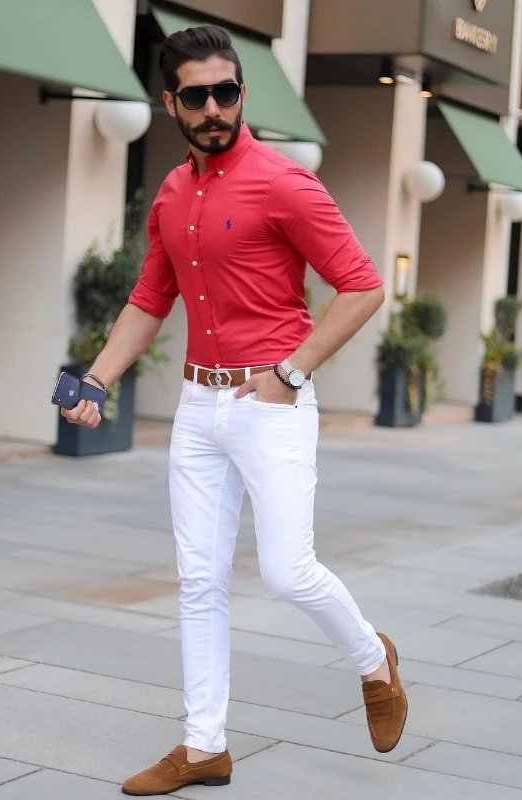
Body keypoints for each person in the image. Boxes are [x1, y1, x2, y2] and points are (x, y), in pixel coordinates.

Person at [62, 24, 407, 797]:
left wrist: (292, 369)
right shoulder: (173, 194)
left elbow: (363, 285)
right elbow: (151, 299)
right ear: (171, 103)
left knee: (288, 572)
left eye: (226, 91)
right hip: (197, 408)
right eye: (197, 95)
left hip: (272, 403)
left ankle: (373, 660)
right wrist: (98, 380)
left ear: (242, 94)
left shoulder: (285, 182)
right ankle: (205, 744)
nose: (214, 107)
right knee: (199, 581)